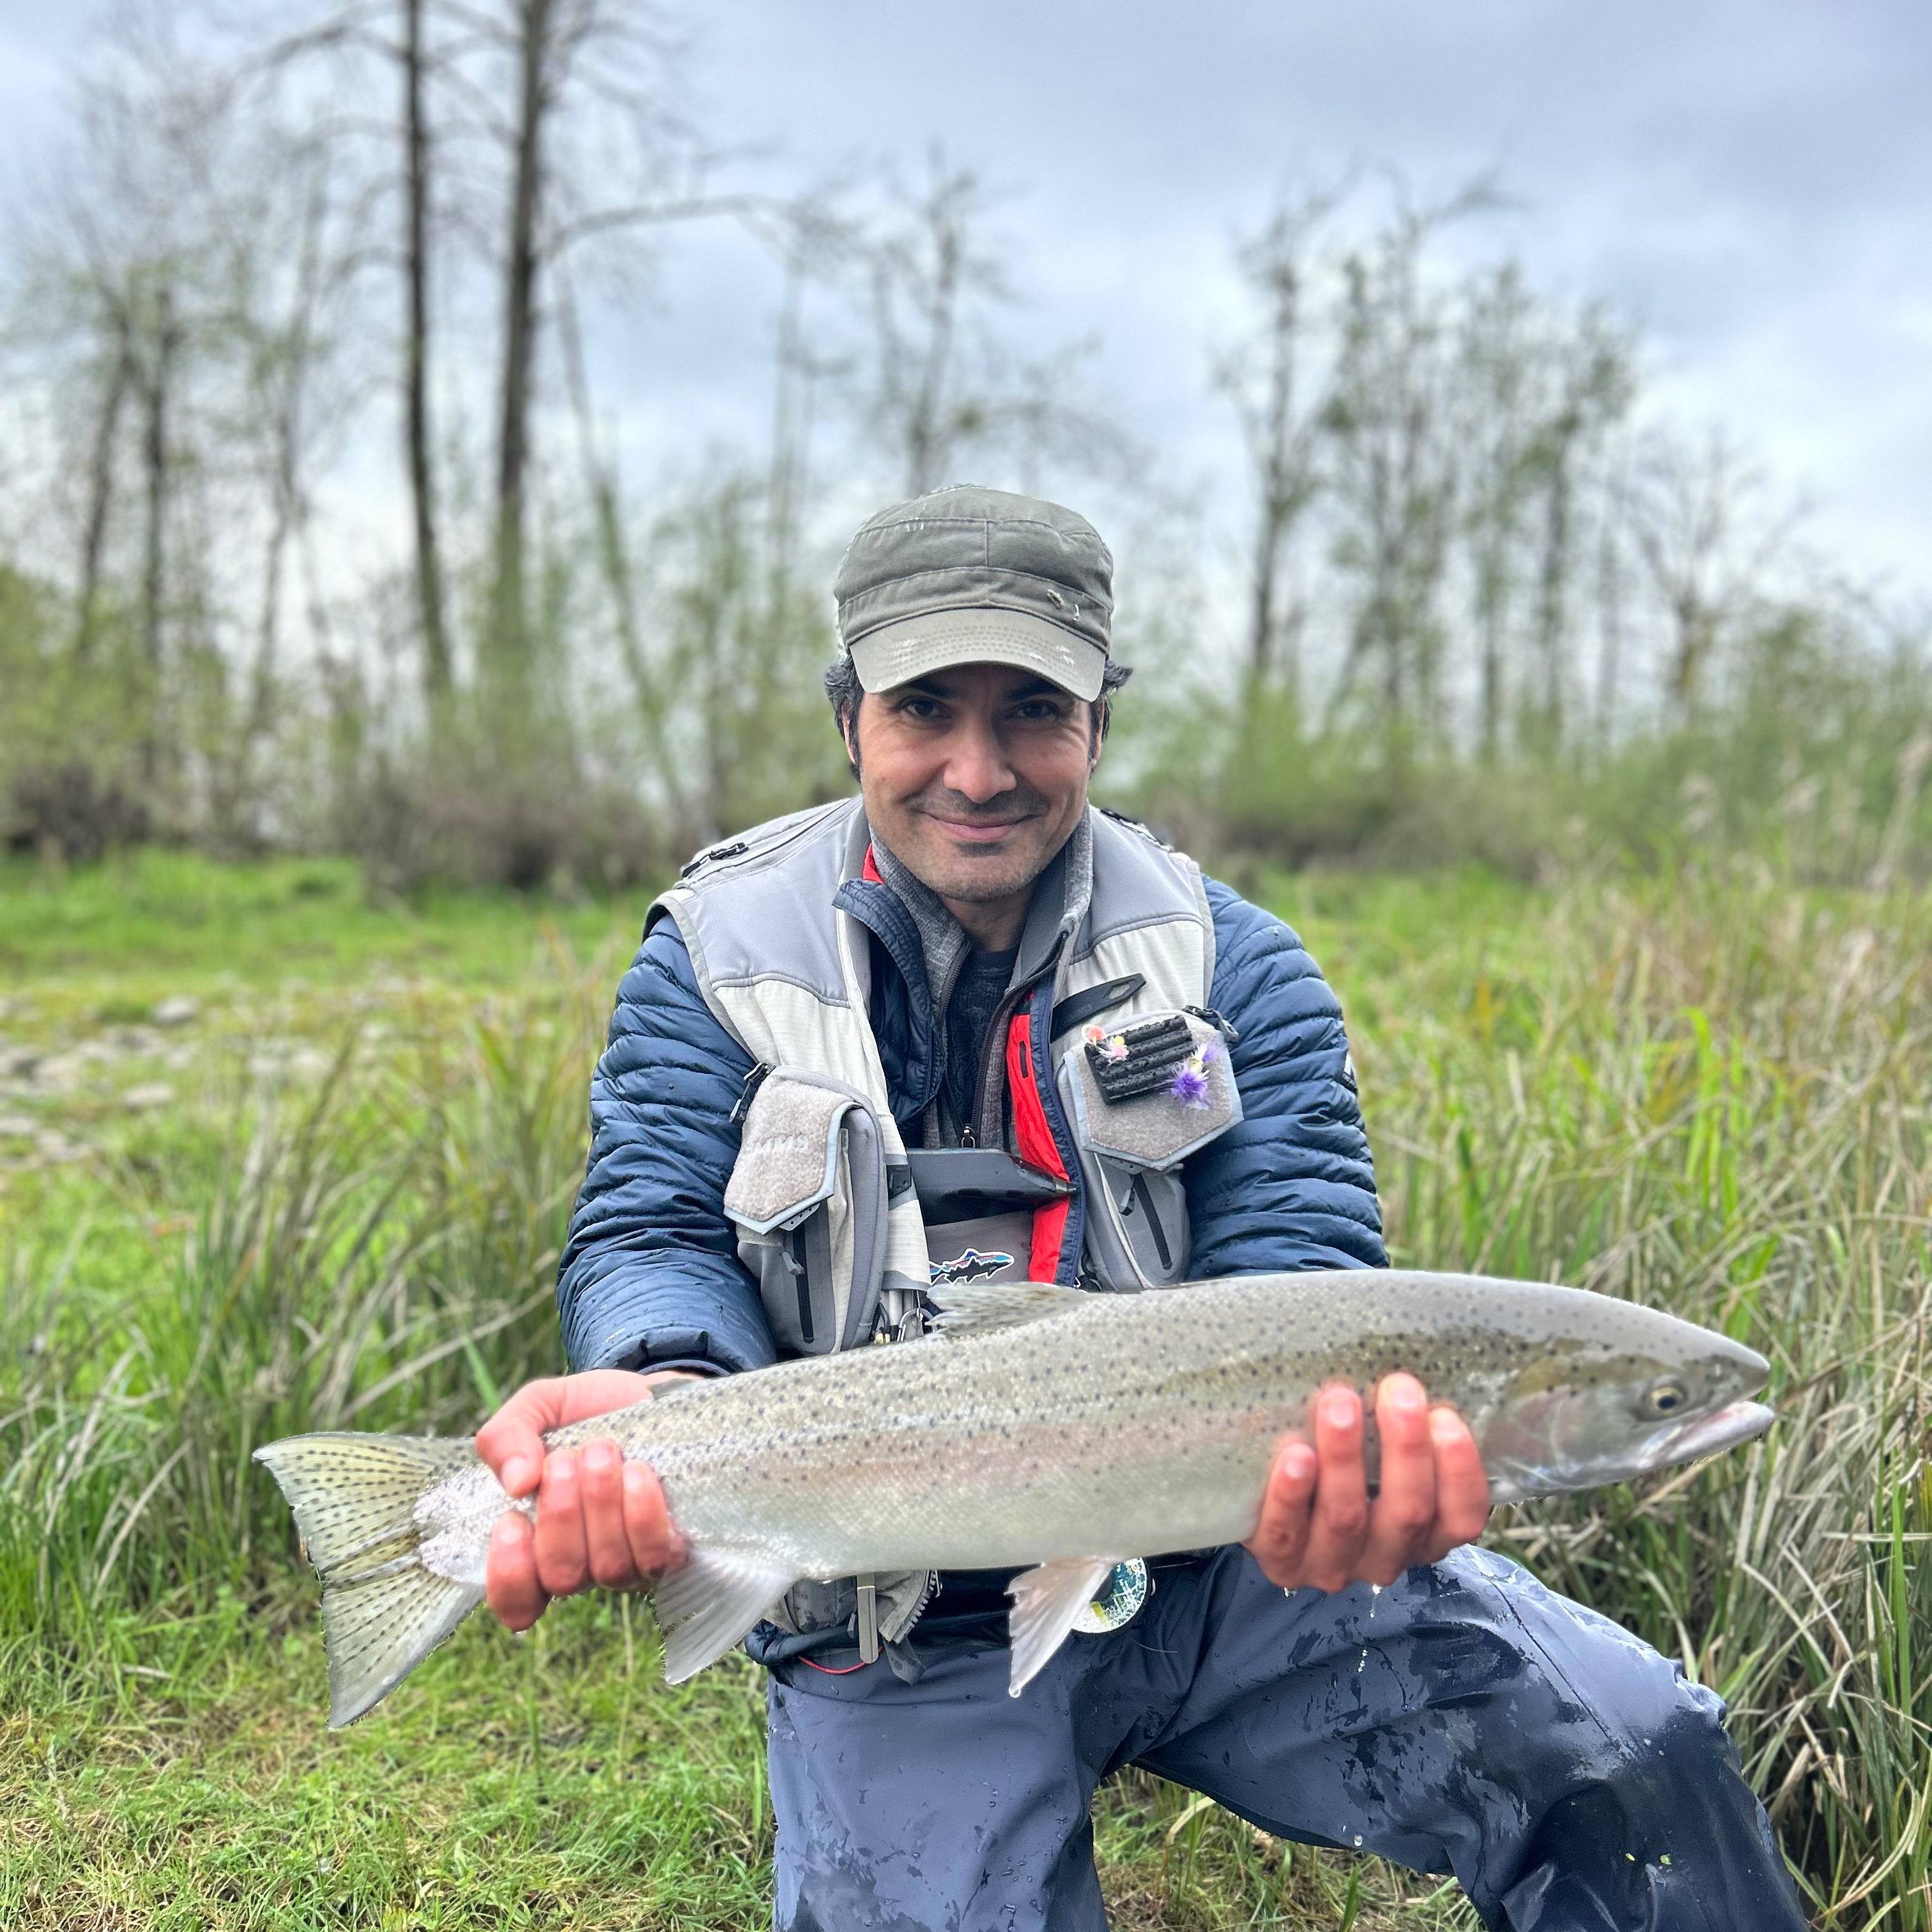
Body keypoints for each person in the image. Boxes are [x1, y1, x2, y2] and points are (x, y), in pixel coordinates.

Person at [473, 487, 1808, 1932]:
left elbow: (1302, 1273)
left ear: (1098, 723)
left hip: (1236, 1570)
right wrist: (668, 1382)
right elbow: (650, 1228)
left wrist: (1340, 1491)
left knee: (1635, 1754)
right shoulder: (716, 958)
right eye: (927, 708)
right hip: (894, 1605)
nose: (978, 772)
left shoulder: (1238, 964)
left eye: (1033, 713)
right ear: (848, 714)